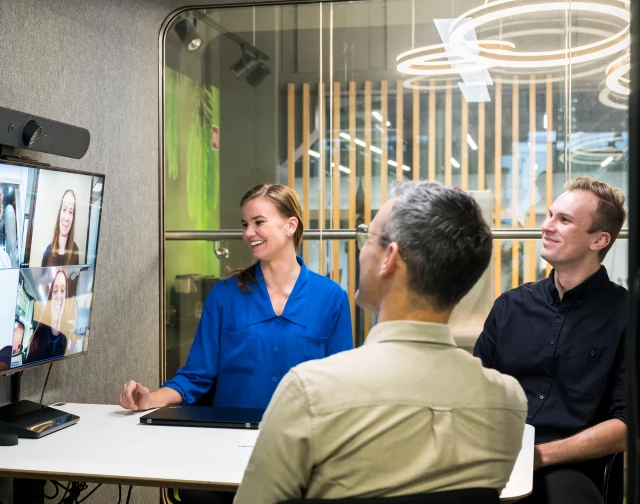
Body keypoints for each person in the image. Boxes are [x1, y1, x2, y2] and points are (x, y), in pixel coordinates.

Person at [235, 181, 528, 503]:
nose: (362, 249)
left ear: (389, 258)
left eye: (367, 238)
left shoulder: (310, 392)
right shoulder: (507, 402)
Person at [119, 183, 353, 411]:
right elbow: (196, 376)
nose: (248, 233)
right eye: (245, 224)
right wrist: (150, 400)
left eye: (259, 222)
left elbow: (340, 384)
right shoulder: (224, 297)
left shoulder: (332, 298)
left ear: (291, 225)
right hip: (230, 437)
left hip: (303, 439)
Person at [474, 177, 627, 504]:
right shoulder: (510, 306)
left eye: (564, 220)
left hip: (571, 467)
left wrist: (538, 456)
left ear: (599, 240)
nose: (547, 226)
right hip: (496, 457)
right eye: (549, 215)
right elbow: (475, 394)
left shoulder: (626, 315)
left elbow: (626, 426)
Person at [24, 268, 69, 364]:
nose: (59, 296)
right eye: (55, 291)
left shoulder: (65, 339)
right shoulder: (37, 338)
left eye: (63, 290)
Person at [41, 189, 80, 267]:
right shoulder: (48, 252)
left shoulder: (75, 250)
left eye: (71, 212)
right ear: (60, 213)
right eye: (64, 209)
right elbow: (42, 279)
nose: (66, 218)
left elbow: (76, 278)